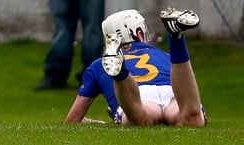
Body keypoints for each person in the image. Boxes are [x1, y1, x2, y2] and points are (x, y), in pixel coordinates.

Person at [65, 7, 207, 126]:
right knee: (191, 118)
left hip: (139, 96)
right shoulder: (166, 56)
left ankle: (120, 73)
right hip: (173, 92)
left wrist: (97, 123)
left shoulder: (97, 65)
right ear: (140, 33)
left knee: (140, 118)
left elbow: (73, 120)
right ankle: (176, 37)